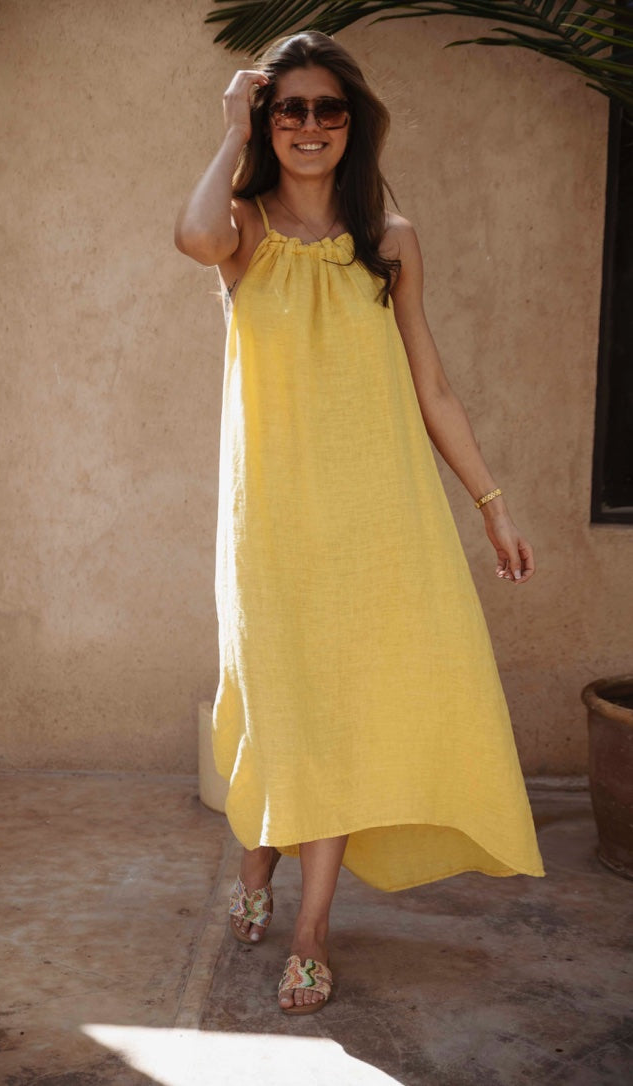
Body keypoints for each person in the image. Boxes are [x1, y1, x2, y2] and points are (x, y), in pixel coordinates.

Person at [175, 31, 545, 1016]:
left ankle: (310, 930)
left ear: (353, 123)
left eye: (327, 109)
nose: (309, 126)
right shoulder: (242, 228)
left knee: (336, 716)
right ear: (267, 120)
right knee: (280, 706)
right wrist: (229, 128)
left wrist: (492, 505)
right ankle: (259, 864)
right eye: (288, 109)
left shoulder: (391, 240)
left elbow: (432, 388)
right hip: (272, 528)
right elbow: (191, 236)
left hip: (374, 523)